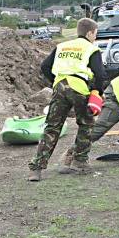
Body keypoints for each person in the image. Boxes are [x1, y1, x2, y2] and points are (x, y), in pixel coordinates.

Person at [27, 18, 106, 181]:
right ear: (90, 32)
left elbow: (44, 66)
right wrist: (97, 91)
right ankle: (80, 161)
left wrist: (55, 81)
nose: (95, 38)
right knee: (86, 124)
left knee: (52, 127)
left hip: (59, 87)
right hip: (79, 89)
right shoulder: (91, 49)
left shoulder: (61, 47)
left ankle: (36, 169)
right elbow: (100, 74)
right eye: (95, 34)